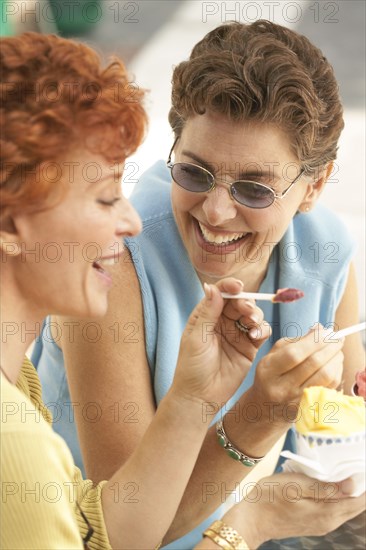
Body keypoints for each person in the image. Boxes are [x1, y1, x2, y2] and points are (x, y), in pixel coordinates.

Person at [32, 21, 365, 548]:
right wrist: (256, 420)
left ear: (314, 187)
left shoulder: (326, 253)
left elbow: (345, 446)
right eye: (194, 173)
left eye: (255, 190)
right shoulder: (110, 261)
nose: (215, 212)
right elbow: (128, 531)